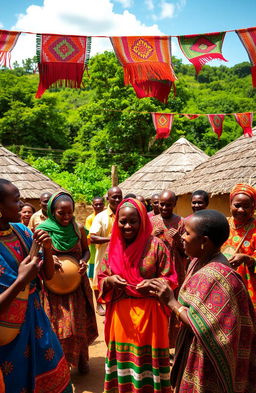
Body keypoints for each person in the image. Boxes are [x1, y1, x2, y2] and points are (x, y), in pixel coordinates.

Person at [149, 209, 256, 393]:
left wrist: (172, 302)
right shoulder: (198, 261)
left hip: (209, 361)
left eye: (188, 233)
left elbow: (204, 325)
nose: (182, 237)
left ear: (204, 241)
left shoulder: (216, 276)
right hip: (197, 349)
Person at [97, 198, 178, 393]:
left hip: (150, 315)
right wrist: (109, 281)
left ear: (142, 221)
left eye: (133, 221)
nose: (127, 226)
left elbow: (170, 278)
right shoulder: (112, 248)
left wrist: (152, 283)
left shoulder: (156, 245)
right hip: (121, 315)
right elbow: (101, 277)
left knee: (149, 362)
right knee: (124, 362)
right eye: (122, 221)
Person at [0, 179, 72, 393]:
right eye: (16, 200)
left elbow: (48, 275)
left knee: (53, 372)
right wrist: (21, 280)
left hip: (36, 319)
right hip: (7, 333)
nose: (22, 204)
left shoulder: (23, 232)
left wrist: (47, 248)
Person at [38, 192, 98, 374]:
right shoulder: (43, 231)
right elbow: (35, 256)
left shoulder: (78, 228)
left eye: (69, 213)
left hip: (77, 287)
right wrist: (49, 256)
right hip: (53, 290)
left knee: (78, 325)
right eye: (60, 213)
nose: (66, 217)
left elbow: (86, 251)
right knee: (58, 328)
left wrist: (83, 261)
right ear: (51, 212)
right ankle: (61, 365)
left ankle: (81, 359)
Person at [151, 190, 186, 348]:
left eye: (168, 205)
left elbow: (186, 252)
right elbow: (144, 248)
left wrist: (179, 239)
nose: (164, 207)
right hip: (157, 272)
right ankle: (158, 344)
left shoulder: (181, 223)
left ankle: (172, 345)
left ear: (174, 204)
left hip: (176, 272)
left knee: (174, 307)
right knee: (158, 307)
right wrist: (152, 236)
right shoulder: (151, 221)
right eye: (162, 204)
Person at [222, 183, 256, 309]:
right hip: (223, 283)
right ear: (230, 204)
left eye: (246, 206)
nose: (241, 210)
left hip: (247, 286)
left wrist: (247, 259)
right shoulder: (222, 224)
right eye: (237, 205)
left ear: (253, 207)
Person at [90, 186, 123, 315]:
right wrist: (111, 239)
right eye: (114, 197)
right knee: (98, 279)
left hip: (121, 256)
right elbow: (92, 237)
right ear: (107, 198)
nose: (117, 199)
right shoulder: (101, 217)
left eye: (119, 196)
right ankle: (99, 304)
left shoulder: (125, 212)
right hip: (104, 255)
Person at [85, 197, 105, 295]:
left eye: (100, 204)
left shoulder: (107, 217)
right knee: (94, 272)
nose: (98, 206)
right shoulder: (90, 219)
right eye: (96, 204)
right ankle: (96, 296)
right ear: (92, 206)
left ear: (104, 205)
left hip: (105, 247)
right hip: (93, 248)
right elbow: (90, 236)